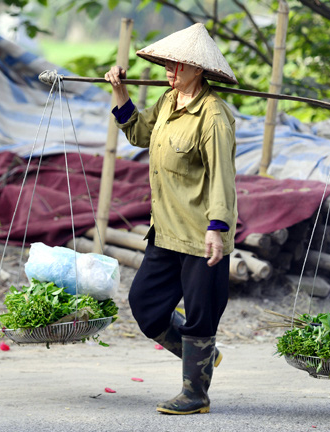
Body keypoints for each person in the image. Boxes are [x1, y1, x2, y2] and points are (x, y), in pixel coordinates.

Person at [104, 23, 238, 415]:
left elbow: (222, 179)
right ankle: (199, 357)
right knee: (145, 304)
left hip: (201, 234)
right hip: (165, 231)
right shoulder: (167, 102)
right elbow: (139, 133)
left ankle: (195, 394)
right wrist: (120, 92)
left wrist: (218, 229)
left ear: (199, 69)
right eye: (167, 62)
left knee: (200, 315)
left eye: (179, 64)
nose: (170, 69)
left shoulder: (213, 117)